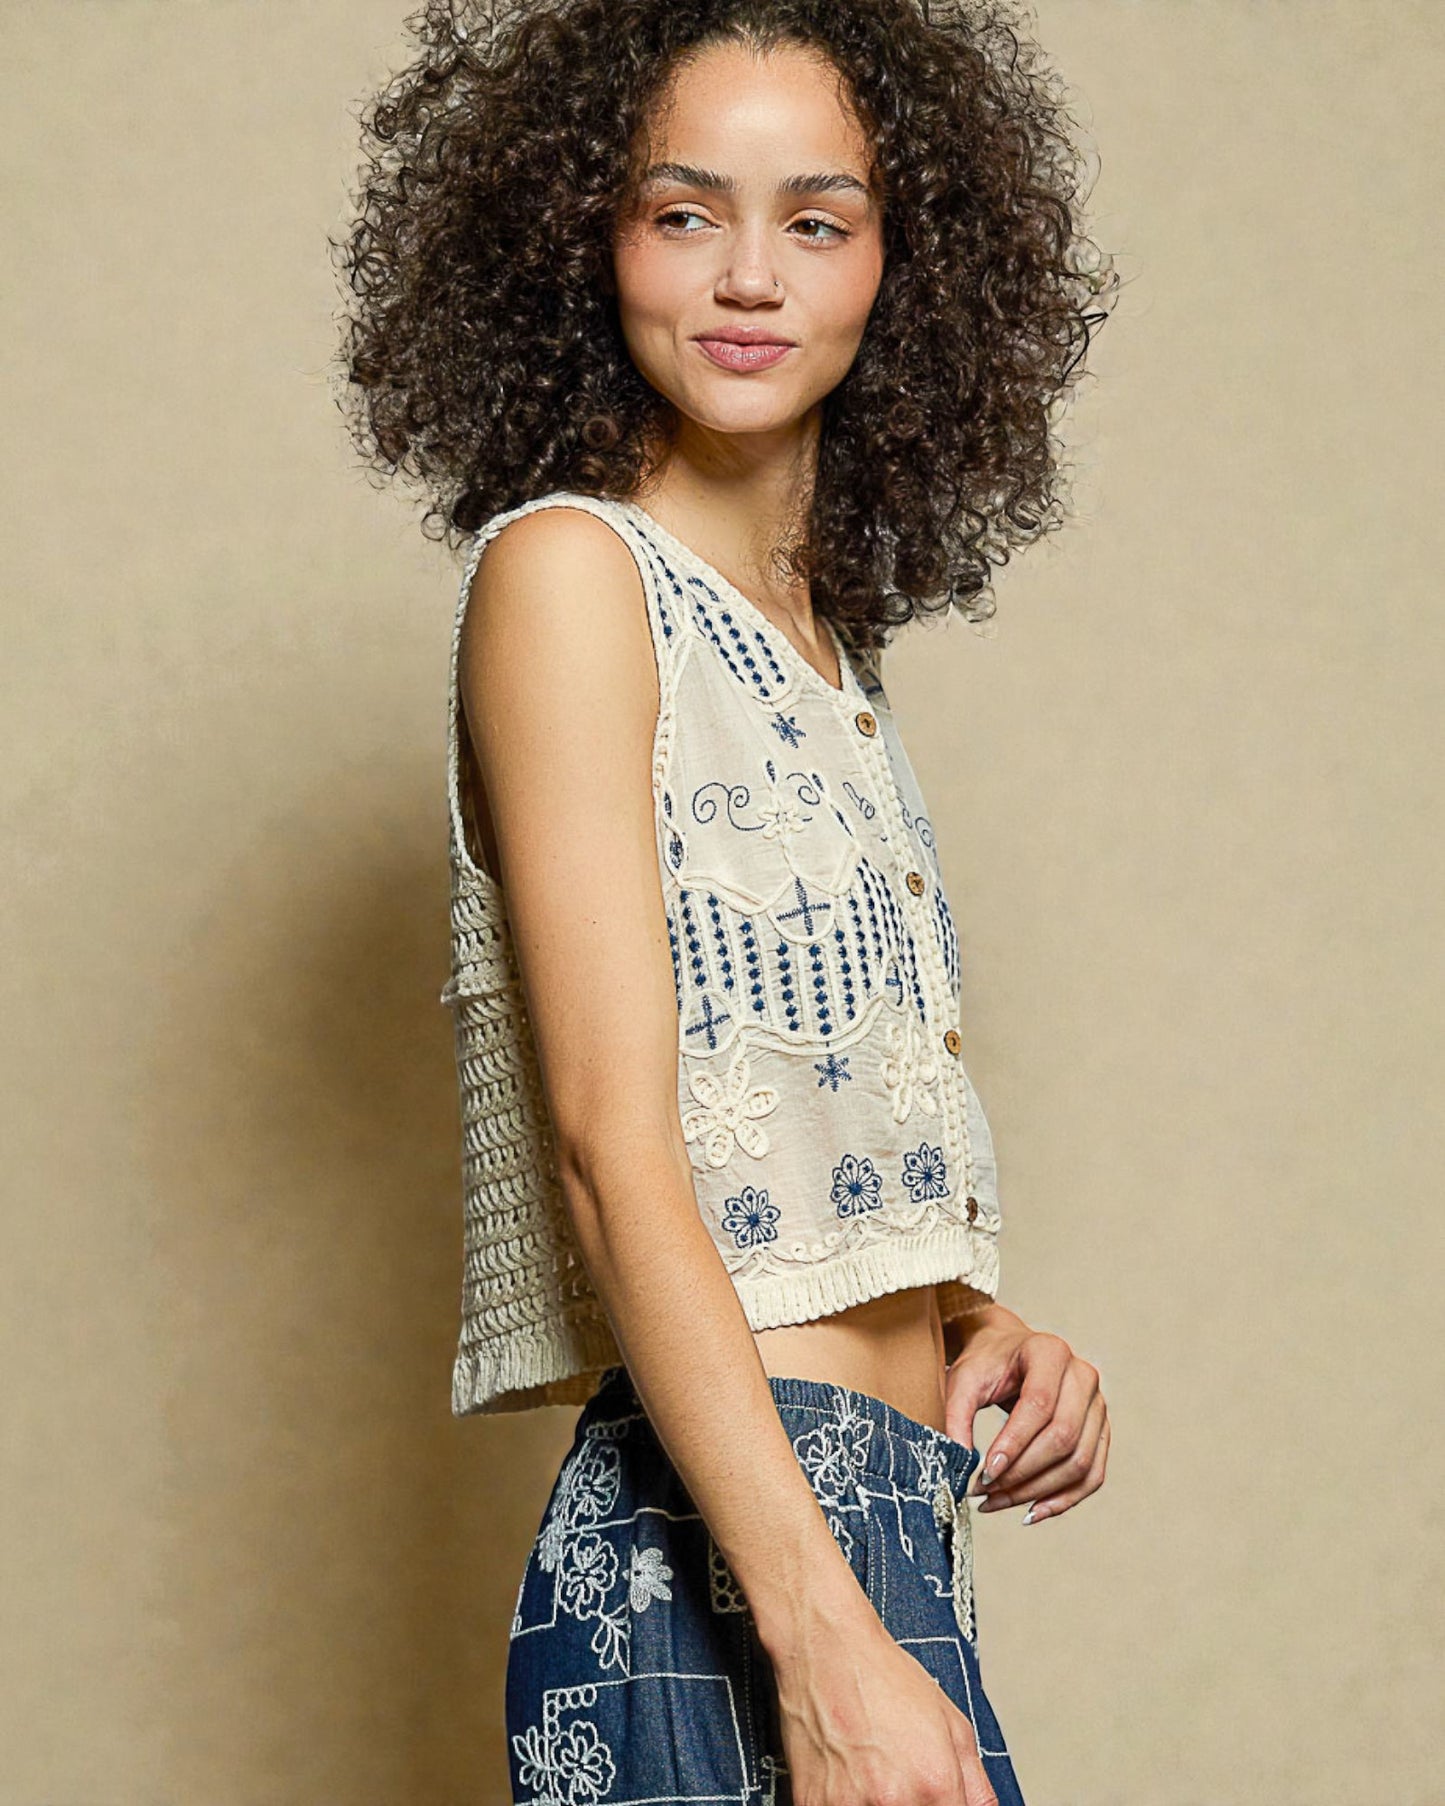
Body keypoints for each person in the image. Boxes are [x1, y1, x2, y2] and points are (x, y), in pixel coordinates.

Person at [338, 2, 1120, 1801]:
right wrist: (819, 1634)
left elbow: (778, 1147)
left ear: (901, 269)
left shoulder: (826, 655)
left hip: (877, 1526)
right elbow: (618, 1148)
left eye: (817, 219)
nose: (748, 274)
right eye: (684, 212)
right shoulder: (570, 577)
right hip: (719, 1564)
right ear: (582, 241)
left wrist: (968, 1327)